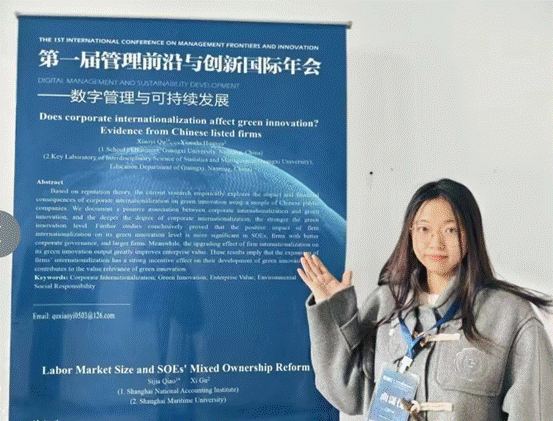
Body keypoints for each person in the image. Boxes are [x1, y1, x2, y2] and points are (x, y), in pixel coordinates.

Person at [298, 179, 553, 421]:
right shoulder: (386, 303)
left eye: (451, 230)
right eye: (424, 229)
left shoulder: (509, 315)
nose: (436, 243)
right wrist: (332, 310)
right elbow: (349, 393)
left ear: (470, 234)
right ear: (410, 233)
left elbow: (535, 412)